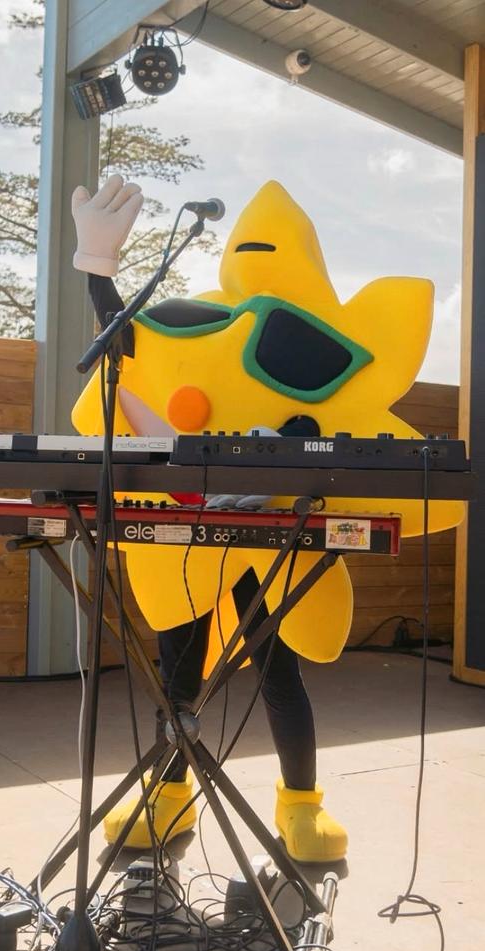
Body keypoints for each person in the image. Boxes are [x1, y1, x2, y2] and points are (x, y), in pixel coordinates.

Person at [70, 175, 348, 864]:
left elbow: (320, 420)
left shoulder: (309, 338)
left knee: (277, 671)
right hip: (185, 529)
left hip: (265, 532)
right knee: (177, 676)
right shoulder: (197, 318)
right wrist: (98, 268)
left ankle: (302, 803)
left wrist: (285, 444)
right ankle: (169, 792)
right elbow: (129, 349)